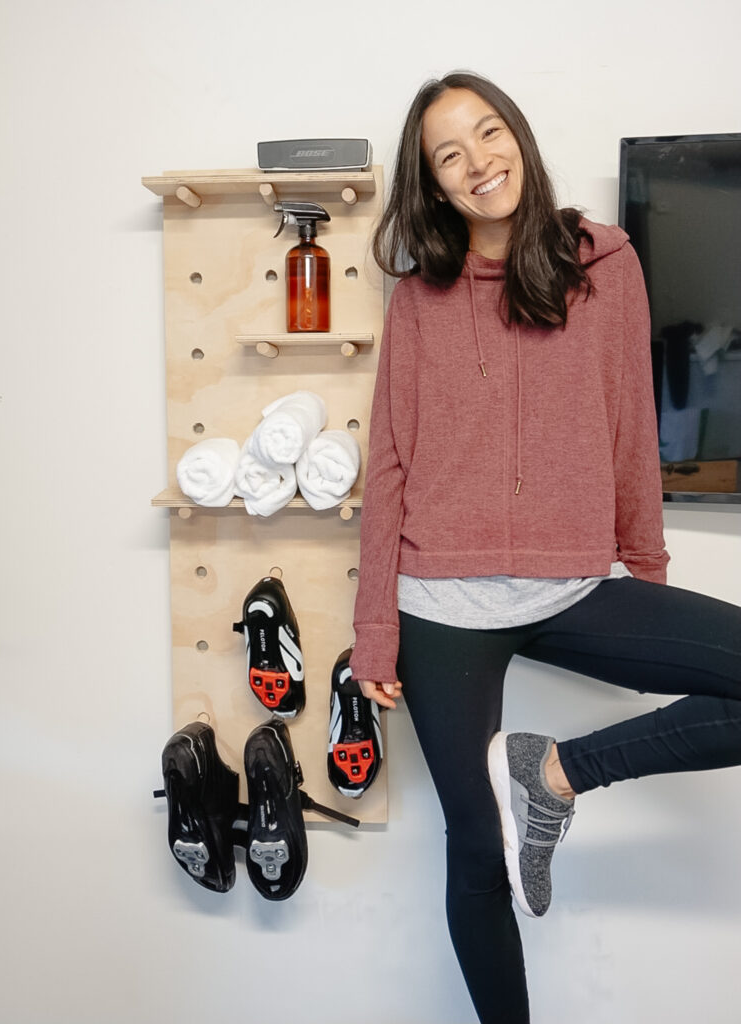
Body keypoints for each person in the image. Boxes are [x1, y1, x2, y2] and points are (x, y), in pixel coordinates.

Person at [349, 70, 741, 1023]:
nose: (479, 162)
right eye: (450, 154)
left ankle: (556, 771)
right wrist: (374, 632)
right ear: (434, 183)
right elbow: (391, 459)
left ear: (516, 135)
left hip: (571, 584)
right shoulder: (422, 294)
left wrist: (642, 571)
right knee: (476, 852)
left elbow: (628, 424)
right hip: (440, 601)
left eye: (488, 134)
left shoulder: (604, 264)